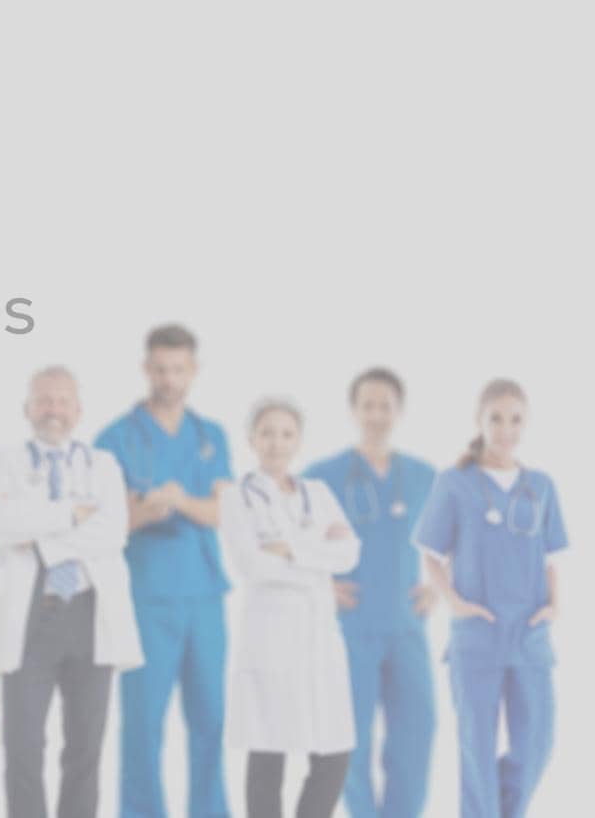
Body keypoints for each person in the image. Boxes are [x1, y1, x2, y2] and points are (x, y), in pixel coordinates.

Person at [0, 366, 143, 818]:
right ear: (27, 408)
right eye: (45, 400)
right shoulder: (2, 464)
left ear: (78, 410)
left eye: (63, 401)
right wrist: (72, 513)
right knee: (23, 747)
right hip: (31, 617)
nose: (54, 410)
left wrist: (39, 529)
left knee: (86, 749)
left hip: (90, 616)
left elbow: (113, 534)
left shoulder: (103, 465)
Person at [94, 324, 233, 818]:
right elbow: (100, 522)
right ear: (145, 369)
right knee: (143, 725)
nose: (169, 379)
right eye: (160, 368)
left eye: (179, 369)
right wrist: (142, 513)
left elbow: (223, 512)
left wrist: (177, 500)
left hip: (204, 596)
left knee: (212, 720)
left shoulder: (210, 436)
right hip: (144, 599)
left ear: (193, 371)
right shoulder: (115, 439)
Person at [415, 379, 567, 818]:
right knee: (476, 750)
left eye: (515, 419)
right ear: (479, 422)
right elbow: (430, 555)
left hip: (530, 633)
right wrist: (454, 603)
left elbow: (552, 556)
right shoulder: (455, 482)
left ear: (527, 423)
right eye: (496, 418)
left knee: (537, 742)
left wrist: (557, 605)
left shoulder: (541, 485)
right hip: (476, 636)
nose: (506, 429)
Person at [302, 368, 436, 818]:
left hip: (406, 626)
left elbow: (463, 540)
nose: (377, 415)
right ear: (353, 410)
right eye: (368, 405)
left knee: (416, 733)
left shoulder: (424, 476)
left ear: (399, 411)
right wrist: (320, 583)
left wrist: (441, 583)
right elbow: (292, 544)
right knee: (351, 741)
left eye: (385, 406)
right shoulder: (323, 477)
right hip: (351, 630)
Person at [219, 398, 359, 818]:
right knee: (268, 753)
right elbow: (252, 564)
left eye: (286, 434)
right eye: (267, 433)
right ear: (251, 439)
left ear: (298, 441)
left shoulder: (317, 493)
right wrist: (319, 558)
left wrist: (292, 550)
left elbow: (350, 553)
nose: (276, 443)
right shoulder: (237, 497)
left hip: (320, 638)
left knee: (334, 753)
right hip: (272, 638)